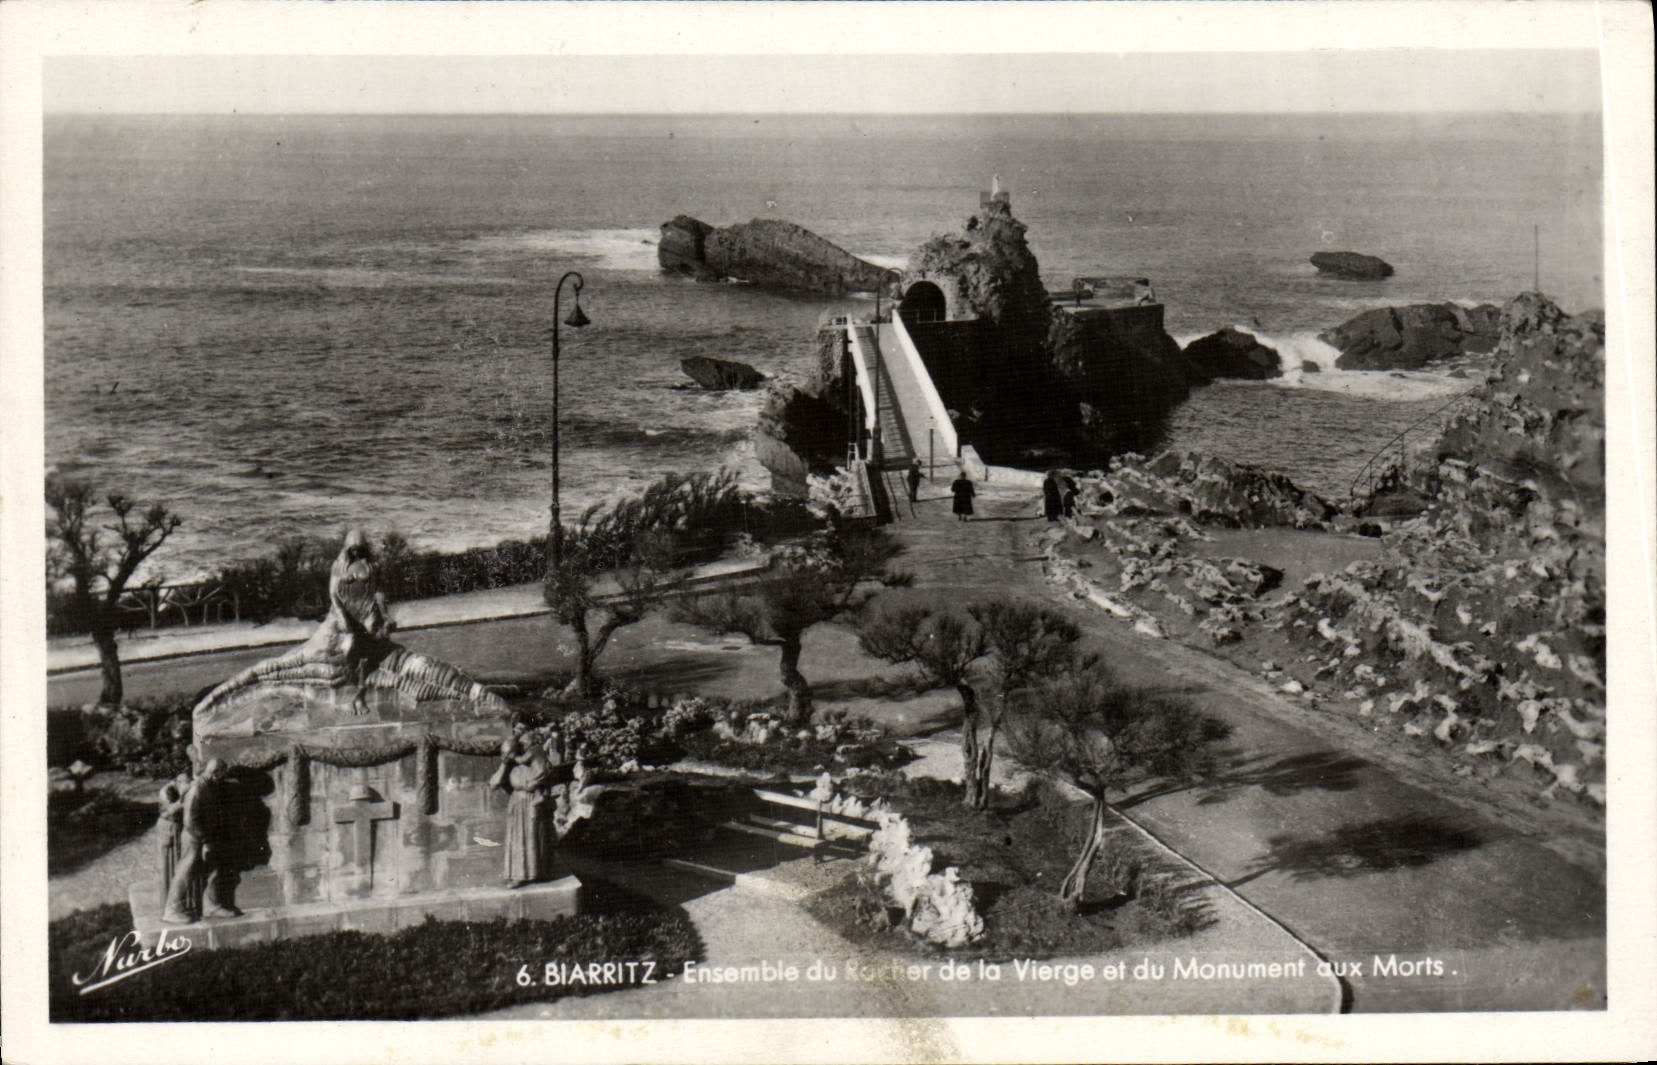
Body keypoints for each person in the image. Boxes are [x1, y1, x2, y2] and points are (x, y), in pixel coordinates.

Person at [157, 767, 194, 911]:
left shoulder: (180, 786)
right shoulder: (166, 791)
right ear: (178, 780)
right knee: (169, 865)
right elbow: (170, 810)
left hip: (176, 829)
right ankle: (169, 902)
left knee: (178, 863)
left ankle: (180, 900)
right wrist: (183, 802)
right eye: (185, 782)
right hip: (168, 829)